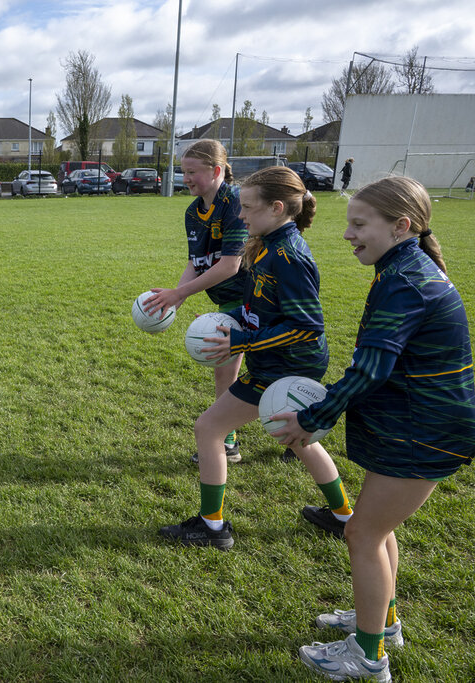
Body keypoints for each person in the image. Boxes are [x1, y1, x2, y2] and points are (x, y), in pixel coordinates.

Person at [278, 176, 475, 681]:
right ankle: (383, 624)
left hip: (423, 430)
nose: (348, 234)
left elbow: (370, 370)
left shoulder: (404, 280)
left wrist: (311, 419)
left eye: (359, 224)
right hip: (418, 425)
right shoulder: (405, 267)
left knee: (362, 534)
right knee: (377, 530)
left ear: (401, 226)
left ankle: (367, 659)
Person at [159, 166, 355, 549]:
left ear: (277, 208)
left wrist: (242, 341)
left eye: (248, 207)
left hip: (287, 366)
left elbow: (306, 327)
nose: (240, 214)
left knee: (209, 428)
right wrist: (227, 319)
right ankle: (343, 516)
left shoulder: (288, 255)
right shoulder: (266, 244)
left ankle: (212, 527)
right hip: (280, 362)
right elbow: (261, 307)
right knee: (297, 439)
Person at [145, 139, 250, 464]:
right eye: (184, 171)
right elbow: (197, 262)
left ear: (216, 170)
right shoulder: (193, 212)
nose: (186, 178)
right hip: (228, 300)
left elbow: (230, 265)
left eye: (192, 172)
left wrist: (180, 294)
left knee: (271, 369)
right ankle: (229, 441)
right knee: (225, 369)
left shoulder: (235, 202)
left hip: (259, 296)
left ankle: (302, 430)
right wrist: (173, 300)